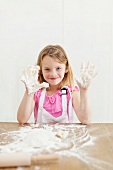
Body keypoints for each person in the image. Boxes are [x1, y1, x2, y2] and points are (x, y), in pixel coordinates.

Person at [17, 45, 98, 124]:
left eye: (58, 68)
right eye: (47, 69)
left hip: (65, 137)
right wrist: (29, 93)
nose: (53, 74)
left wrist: (84, 91)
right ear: (40, 70)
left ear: (66, 68)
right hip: (42, 137)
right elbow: (22, 119)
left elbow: (86, 120)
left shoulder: (72, 92)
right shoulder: (37, 92)